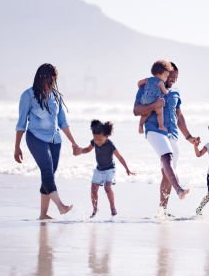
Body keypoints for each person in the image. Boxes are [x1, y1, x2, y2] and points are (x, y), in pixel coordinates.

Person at [14, 63, 82, 220]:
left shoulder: (55, 97)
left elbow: (63, 122)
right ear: (41, 78)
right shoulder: (28, 96)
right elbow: (21, 123)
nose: (52, 83)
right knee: (46, 170)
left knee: (48, 175)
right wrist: (17, 147)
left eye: (54, 80)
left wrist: (73, 142)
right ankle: (61, 206)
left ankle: (43, 214)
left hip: (55, 140)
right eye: (50, 80)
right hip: (35, 137)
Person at [132, 63, 200, 216]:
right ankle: (179, 190)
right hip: (154, 130)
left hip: (172, 134)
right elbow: (136, 110)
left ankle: (162, 211)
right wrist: (154, 105)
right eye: (171, 76)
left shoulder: (176, 92)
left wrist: (189, 137)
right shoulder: (148, 86)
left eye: (176, 77)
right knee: (166, 157)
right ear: (164, 74)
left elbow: (179, 116)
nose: (174, 80)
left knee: (167, 172)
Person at [76, 119, 135, 217]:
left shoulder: (110, 145)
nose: (97, 142)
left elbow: (119, 157)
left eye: (99, 139)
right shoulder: (94, 142)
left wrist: (127, 169)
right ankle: (95, 208)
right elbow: (87, 149)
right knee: (93, 189)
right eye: (95, 139)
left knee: (108, 188)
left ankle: (113, 207)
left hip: (110, 169)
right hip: (99, 169)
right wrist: (80, 151)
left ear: (106, 137)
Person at [136, 60, 174, 134]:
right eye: (166, 76)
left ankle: (140, 125)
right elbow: (165, 92)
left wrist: (141, 88)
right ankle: (161, 126)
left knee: (146, 114)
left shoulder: (148, 79)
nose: (166, 78)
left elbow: (139, 83)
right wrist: (168, 91)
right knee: (160, 112)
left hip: (144, 99)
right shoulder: (160, 82)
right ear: (159, 73)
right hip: (154, 100)